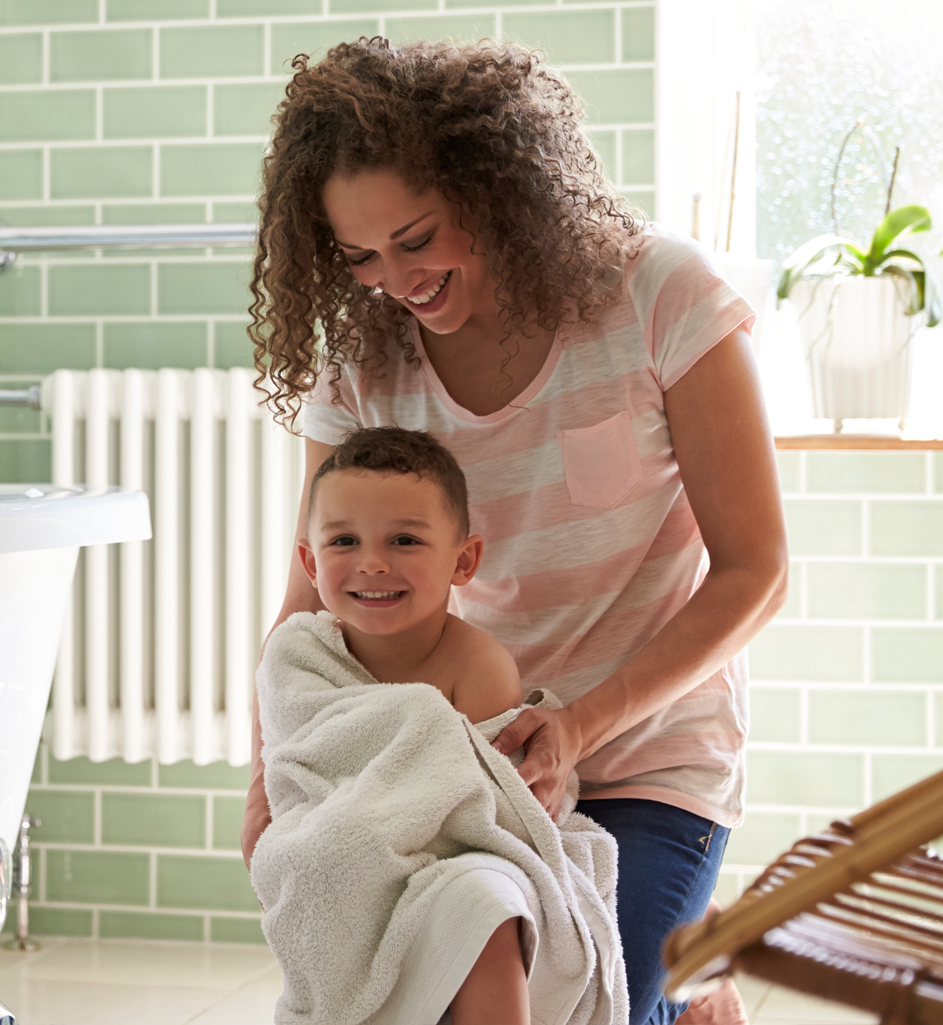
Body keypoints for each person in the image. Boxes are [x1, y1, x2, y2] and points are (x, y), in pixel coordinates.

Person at [241, 37, 788, 1025]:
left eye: (417, 237)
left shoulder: (659, 295)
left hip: (654, 753)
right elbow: (306, 599)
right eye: (358, 256)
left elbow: (757, 570)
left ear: (497, 191)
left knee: (595, 999)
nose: (395, 280)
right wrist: (267, 776)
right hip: (466, 760)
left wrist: (581, 720)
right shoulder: (365, 359)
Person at [279, 424, 529, 1025]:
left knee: (487, 904)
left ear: (463, 560)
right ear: (311, 563)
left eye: (404, 541)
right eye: (343, 540)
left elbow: (485, 807)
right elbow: (298, 777)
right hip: (346, 863)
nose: (371, 563)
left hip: (452, 860)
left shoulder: (480, 666)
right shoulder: (299, 658)